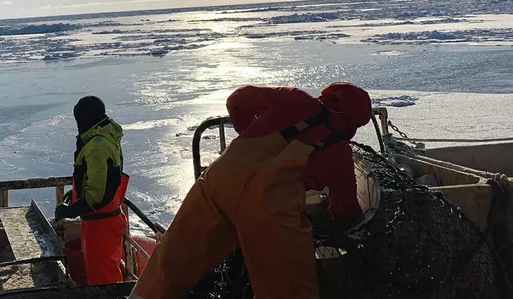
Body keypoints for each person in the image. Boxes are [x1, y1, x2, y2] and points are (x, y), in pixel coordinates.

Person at [129, 82, 373, 299]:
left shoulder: (294, 99)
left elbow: (238, 99)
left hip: (219, 181)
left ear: (329, 94)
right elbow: (345, 209)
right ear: (355, 122)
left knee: (174, 257)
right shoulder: (339, 152)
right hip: (268, 211)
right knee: (288, 285)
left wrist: (246, 132)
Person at [54, 95, 130, 285]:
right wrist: (75, 196)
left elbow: (98, 195)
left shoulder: (97, 146)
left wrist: (70, 210)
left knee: (103, 280)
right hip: (104, 219)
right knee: (104, 272)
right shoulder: (104, 136)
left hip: (101, 224)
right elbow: (99, 179)